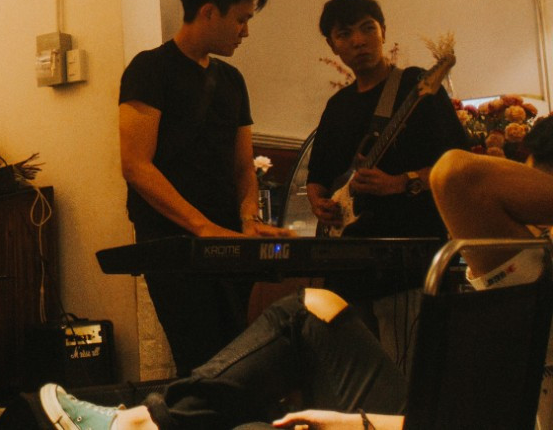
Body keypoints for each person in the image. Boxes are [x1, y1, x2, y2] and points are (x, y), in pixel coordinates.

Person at [41, 124, 553, 430]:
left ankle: (141, 424)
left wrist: (361, 425)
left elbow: (458, 176)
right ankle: (142, 422)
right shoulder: (531, 269)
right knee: (308, 308)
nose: (531, 226)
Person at [118, 0, 290, 375]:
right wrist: (201, 227)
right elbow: (136, 165)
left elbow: (243, 167)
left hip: (226, 241)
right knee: (201, 361)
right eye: (241, 19)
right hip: (173, 243)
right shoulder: (149, 68)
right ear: (209, 11)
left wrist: (249, 220)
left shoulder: (232, 80)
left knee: (239, 359)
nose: (245, 31)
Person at [305, 0, 468, 319]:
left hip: (411, 261)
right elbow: (317, 178)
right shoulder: (337, 106)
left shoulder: (417, 86)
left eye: (367, 28)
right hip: (347, 264)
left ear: (383, 31)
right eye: (344, 34)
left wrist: (402, 183)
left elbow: (459, 165)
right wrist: (319, 204)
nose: (359, 41)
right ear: (332, 45)